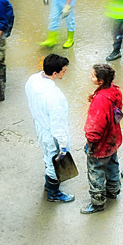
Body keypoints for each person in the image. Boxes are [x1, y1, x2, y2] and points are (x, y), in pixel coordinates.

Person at [25, 54, 74, 203]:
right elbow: (57, 123)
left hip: (40, 125)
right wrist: (63, 144)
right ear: (55, 73)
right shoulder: (53, 96)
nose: (65, 73)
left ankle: (49, 184)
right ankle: (53, 193)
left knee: (48, 156)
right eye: (63, 71)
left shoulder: (32, 80)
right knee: (55, 160)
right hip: (51, 132)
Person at [80, 64, 123, 215]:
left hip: (101, 144)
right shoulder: (115, 91)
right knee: (112, 164)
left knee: (96, 170)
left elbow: (95, 125)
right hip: (113, 139)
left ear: (100, 81)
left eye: (92, 76)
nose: (90, 77)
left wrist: (91, 142)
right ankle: (113, 190)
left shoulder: (100, 100)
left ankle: (98, 202)